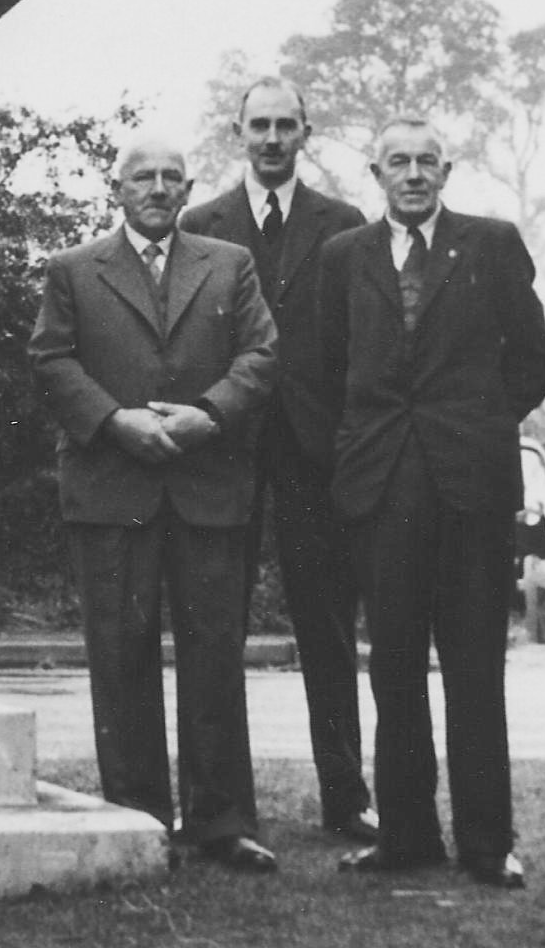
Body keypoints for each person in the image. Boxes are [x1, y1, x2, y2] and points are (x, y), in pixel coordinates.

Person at [28, 134, 280, 870]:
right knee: (120, 656)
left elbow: (261, 355)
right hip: (112, 491)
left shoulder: (228, 265)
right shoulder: (72, 271)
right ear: (119, 188)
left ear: (188, 187)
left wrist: (208, 413)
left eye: (173, 177)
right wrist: (114, 422)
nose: (160, 188)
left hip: (208, 487)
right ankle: (137, 818)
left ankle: (220, 821)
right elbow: (49, 359)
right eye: (145, 177)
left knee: (213, 657)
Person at [317, 116, 545, 888]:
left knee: (475, 668)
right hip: (381, 490)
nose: (412, 174)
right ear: (375, 173)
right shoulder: (342, 257)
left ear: (445, 171)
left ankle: (488, 843)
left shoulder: (489, 243)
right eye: (397, 162)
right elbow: (322, 370)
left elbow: (531, 362)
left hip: (471, 491)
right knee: (392, 669)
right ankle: (406, 837)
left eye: (425, 162)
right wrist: (363, 450)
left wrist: (477, 425)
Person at [180, 77, 375, 844]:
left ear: (304, 131)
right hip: (224, 448)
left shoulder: (343, 224)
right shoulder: (203, 223)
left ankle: (346, 796)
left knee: (325, 628)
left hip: (312, 453)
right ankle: (220, 806)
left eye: (283, 125)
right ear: (237, 131)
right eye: (257, 125)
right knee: (213, 627)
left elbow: (360, 342)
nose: (269, 138)